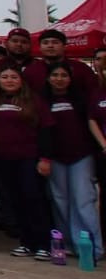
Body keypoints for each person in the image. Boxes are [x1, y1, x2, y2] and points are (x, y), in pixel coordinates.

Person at [38, 64, 102, 264]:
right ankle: (67, 244)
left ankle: (93, 246)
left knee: (83, 202)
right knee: (60, 201)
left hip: (82, 157)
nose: (59, 79)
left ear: (70, 79)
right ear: (48, 79)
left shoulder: (82, 100)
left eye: (63, 75)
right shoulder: (41, 101)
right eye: (55, 75)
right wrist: (44, 158)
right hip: (55, 159)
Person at [0, 68, 49, 258]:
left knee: (34, 199)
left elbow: (46, 130)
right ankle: (26, 242)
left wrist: (45, 158)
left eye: (14, 77)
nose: (9, 80)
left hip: (29, 159)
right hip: (3, 160)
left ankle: (44, 244)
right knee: (15, 201)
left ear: (22, 81)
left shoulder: (34, 101)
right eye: (4, 77)